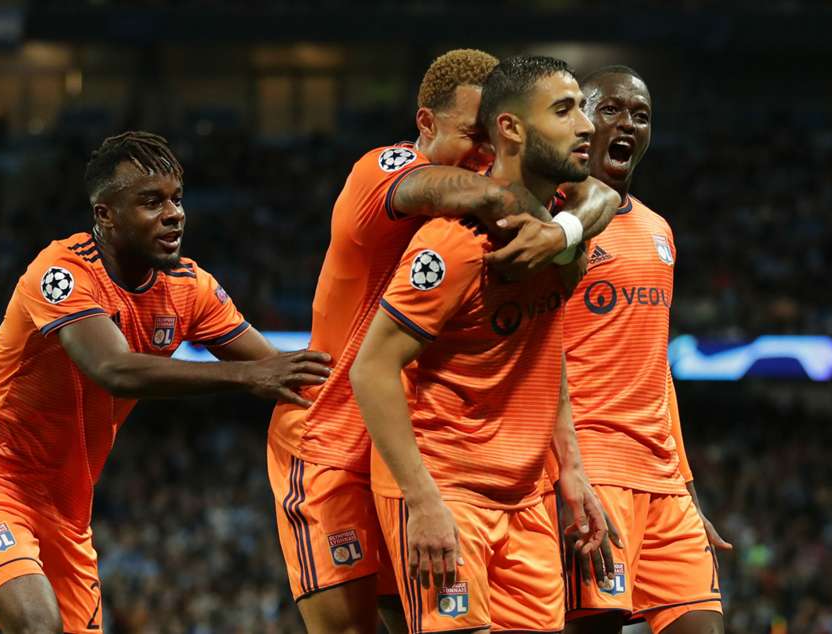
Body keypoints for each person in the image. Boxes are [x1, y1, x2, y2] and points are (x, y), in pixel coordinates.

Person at [266, 49, 619, 634]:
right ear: (425, 125)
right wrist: (549, 217)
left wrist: (566, 225)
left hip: (410, 435)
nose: (484, 155)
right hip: (328, 436)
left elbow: (602, 196)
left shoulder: (524, 225)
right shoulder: (385, 172)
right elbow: (463, 190)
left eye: (492, 139)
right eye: (473, 136)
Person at [0, 131, 332, 634]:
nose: (173, 214)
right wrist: (244, 376)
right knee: (36, 623)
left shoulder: (189, 288)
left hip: (68, 512)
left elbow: (281, 369)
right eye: (151, 202)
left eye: (176, 199)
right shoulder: (61, 272)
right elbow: (115, 369)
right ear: (105, 215)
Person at [558, 66, 731, 634]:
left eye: (641, 115)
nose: (628, 122)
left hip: (663, 483)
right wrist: (565, 475)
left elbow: (657, 372)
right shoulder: (553, 225)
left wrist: (686, 489)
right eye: (611, 109)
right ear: (580, 119)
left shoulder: (659, 229)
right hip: (593, 472)